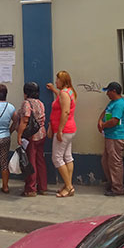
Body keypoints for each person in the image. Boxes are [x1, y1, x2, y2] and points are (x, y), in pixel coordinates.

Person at [47, 70, 77, 198]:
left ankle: (69, 187)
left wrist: (59, 130)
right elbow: (61, 97)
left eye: (58, 80)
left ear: (63, 81)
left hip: (64, 130)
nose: (56, 81)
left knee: (57, 158)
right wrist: (54, 90)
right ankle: (67, 184)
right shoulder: (69, 92)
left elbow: (65, 112)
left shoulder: (64, 94)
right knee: (67, 157)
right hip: (70, 129)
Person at [16, 82, 47, 197]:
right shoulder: (40, 103)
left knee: (31, 161)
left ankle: (31, 188)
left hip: (31, 136)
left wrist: (19, 135)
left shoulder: (27, 103)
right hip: (41, 134)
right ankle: (42, 187)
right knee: (40, 161)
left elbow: (25, 120)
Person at [97, 81, 124, 196]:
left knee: (115, 163)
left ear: (113, 91)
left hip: (116, 136)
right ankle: (112, 182)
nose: (107, 94)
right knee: (106, 161)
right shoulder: (112, 103)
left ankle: (117, 188)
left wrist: (103, 125)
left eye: (108, 91)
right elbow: (105, 112)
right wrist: (100, 121)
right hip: (109, 136)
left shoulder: (119, 104)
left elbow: (115, 121)